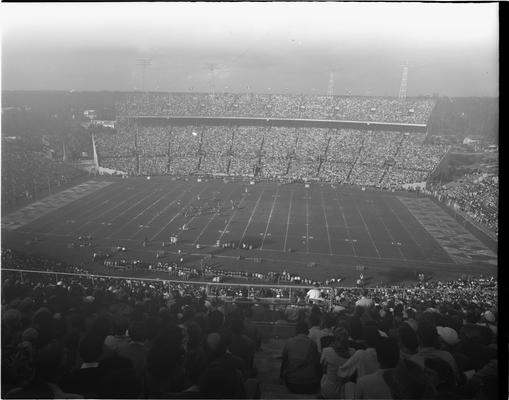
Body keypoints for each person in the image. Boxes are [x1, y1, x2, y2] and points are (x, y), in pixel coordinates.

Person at [280, 321, 321, 394]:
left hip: (292, 384)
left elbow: (284, 361)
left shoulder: (289, 342)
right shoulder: (313, 344)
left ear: (296, 331)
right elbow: (317, 364)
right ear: (307, 332)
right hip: (310, 385)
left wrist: (281, 377)